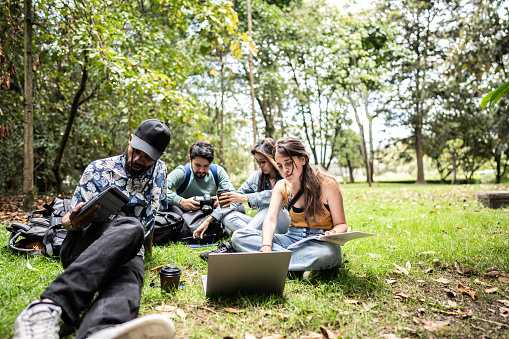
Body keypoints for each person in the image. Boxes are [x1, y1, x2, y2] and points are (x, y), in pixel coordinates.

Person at [14, 119, 176, 339]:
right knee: (132, 227)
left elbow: (154, 213)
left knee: (129, 280)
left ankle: (99, 331)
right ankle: (47, 307)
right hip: (82, 245)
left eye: (147, 157)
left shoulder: (160, 172)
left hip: (129, 250)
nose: (138, 159)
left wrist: (147, 254)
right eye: (136, 150)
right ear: (130, 140)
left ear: (158, 158)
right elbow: (67, 222)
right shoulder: (98, 169)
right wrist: (73, 222)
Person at [231, 137, 348, 276]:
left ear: (303, 159)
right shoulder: (281, 186)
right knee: (239, 236)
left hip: (320, 243)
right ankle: (298, 266)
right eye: (280, 166)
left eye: (288, 163)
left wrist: (333, 233)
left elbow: (341, 224)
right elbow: (271, 219)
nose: (285, 170)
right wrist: (267, 245)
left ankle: (275, 263)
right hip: (291, 239)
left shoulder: (328, 185)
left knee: (330, 254)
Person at [194, 138, 291, 259]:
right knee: (228, 216)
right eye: (257, 162)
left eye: (263, 162)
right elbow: (234, 198)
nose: (260, 166)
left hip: (283, 222)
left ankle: (233, 246)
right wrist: (209, 219)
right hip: (264, 226)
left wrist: (244, 198)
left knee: (269, 208)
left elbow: (274, 196)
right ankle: (251, 240)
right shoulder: (257, 176)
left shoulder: (286, 174)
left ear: (273, 159)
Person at [166, 141, 239, 236]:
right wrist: (181, 201)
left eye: (206, 166)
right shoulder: (182, 172)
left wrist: (221, 200)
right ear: (190, 159)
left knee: (239, 208)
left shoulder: (217, 171)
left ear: (211, 163)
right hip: (185, 212)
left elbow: (232, 193)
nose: (201, 170)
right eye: (197, 165)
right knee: (170, 207)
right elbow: (160, 190)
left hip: (210, 211)